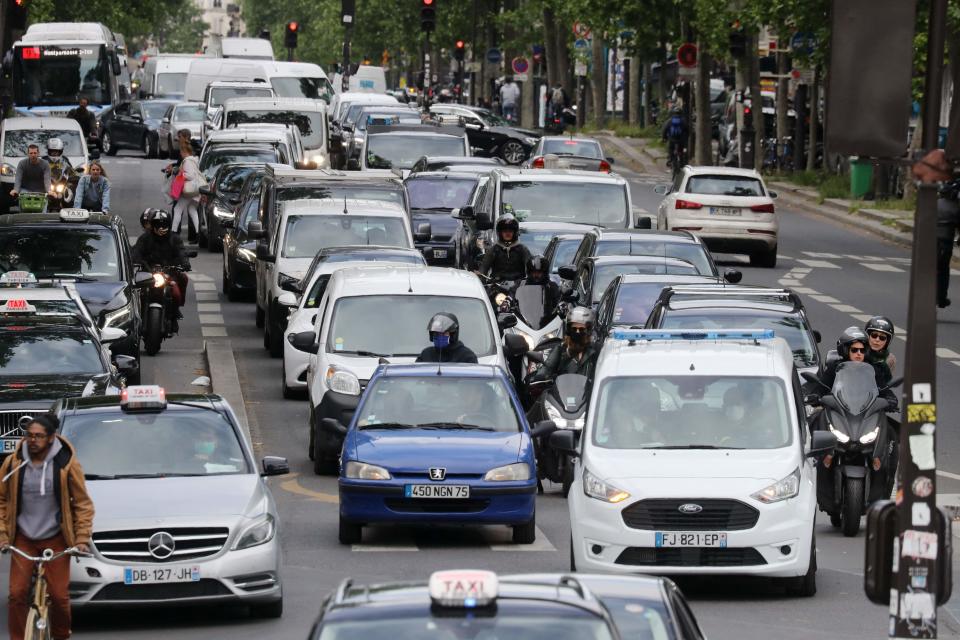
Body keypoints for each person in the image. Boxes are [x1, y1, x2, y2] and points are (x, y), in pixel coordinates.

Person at [0, 414, 94, 640]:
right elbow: (1, 500)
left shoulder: (66, 464)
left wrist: (81, 539)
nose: (33, 440)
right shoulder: (13, 463)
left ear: (51, 438)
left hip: (56, 537)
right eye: (29, 436)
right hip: (24, 537)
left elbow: (82, 504)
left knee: (60, 597)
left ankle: (61, 635)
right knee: (16, 594)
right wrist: (3, 535)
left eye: (39, 436)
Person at [131, 209, 191, 328]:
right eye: (158, 224)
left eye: (164, 225)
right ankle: (134, 317)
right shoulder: (145, 238)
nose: (161, 228)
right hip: (148, 273)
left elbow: (181, 252)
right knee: (135, 291)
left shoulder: (175, 238)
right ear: (153, 225)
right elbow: (136, 251)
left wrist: (184, 263)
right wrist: (135, 260)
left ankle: (174, 313)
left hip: (169, 273)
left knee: (179, 288)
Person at [532, 307, 598, 383]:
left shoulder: (596, 351)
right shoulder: (561, 349)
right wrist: (541, 379)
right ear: (569, 330)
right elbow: (547, 368)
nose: (577, 332)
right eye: (574, 329)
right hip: (563, 392)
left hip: (589, 393)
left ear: (589, 330)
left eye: (581, 329)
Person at [478, 214, 531, 282]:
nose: (507, 233)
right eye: (504, 231)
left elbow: (530, 269)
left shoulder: (523, 249)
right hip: (497, 286)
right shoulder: (493, 249)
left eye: (510, 231)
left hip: (518, 287)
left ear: (515, 232)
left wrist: (530, 280)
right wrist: (480, 279)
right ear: (500, 232)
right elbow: (483, 269)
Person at [172, 137, 202, 242]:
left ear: (185, 152)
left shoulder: (187, 161)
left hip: (189, 191)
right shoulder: (194, 161)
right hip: (195, 191)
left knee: (177, 209)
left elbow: (190, 176)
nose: (180, 154)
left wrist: (181, 174)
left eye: (181, 151)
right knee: (192, 210)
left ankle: (174, 233)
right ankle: (198, 233)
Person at [936, 180, 959, 308]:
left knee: (924, 269)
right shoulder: (956, 207)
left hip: (927, 243)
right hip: (945, 243)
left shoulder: (932, 204)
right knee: (943, 269)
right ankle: (942, 298)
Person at [864, 315, 897, 386]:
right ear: (867, 336)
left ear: (887, 341)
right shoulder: (856, 351)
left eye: (882, 337)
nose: (877, 340)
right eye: (874, 335)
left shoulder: (890, 359)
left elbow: (884, 383)